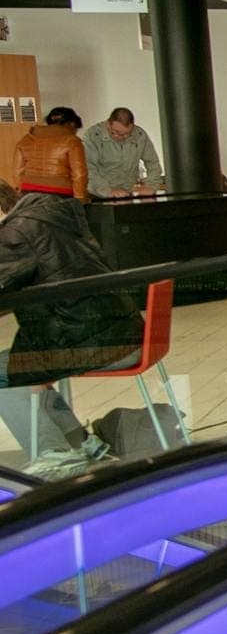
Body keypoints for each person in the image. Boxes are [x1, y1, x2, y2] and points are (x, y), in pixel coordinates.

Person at [0, 180, 145, 477]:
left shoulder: (15, 233)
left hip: (90, 340)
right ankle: (80, 444)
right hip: (115, 332)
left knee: (9, 369)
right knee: (15, 362)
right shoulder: (47, 217)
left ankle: (55, 457)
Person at [83, 107, 166, 199]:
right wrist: (107, 191)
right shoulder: (92, 136)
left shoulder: (139, 135)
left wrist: (151, 186)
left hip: (126, 194)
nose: (122, 137)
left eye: (127, 134)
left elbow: (153, 163)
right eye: (116, 132)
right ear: (108, 123)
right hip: (97, 195)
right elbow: (88, 168)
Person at [14, 107, 88, 202]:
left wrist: (21, 191)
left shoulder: (26, 140)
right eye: (76, 129)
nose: (75, 132)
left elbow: (17, 172)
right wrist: (80, 198)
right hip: (60, 193)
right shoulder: (72, 141)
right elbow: (79, 174)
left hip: (29, 192)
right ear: (72, 124)